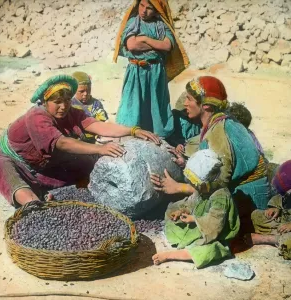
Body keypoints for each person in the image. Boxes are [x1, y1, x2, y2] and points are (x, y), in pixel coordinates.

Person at [0, 75, 160, 208]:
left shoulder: (72, 112)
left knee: (86, 164)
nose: (63, 107)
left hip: (42, 164)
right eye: (57, 102)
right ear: (45, 102)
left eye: (66, 101)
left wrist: (133, 130)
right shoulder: (37, 116)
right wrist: (99, 149)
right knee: (8, 174)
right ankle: (35, 206)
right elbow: (62, 143)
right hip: (11, 158)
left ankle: (49, 191)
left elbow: (97, 126)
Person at [151, 76, 270, 234]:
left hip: (249, 197)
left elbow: (221, 184)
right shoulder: (219, 122)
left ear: (205, 106)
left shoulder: (218, 132)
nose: (185, 103)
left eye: (189, 99)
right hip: (252, 190)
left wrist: (177, 187)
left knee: (179, 221)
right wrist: (187, 164)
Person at [151, 149, 240, 268]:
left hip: (216, 234)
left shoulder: (221, 197)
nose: (195, 188)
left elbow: (214, 225)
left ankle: (172, 255)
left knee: (209, 250)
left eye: (197, 186)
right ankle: (187, 242)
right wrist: (182, 211)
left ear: (208, 183)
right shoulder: (203, 190)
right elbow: (192, 203)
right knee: (171, 213)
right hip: (200, 223)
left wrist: (193, 219)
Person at [113, 0, 189, 138]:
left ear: (157, 10)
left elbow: (167, 46)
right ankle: (130, 133)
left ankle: (158, 136)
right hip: (136, 71)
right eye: (142, 6)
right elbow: (132, 45)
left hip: (156, 71)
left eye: (149, 8)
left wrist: (145, 39)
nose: (144, 11)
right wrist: (156, 45)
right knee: (133, 104)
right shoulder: (133, 22)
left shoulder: (161, 25)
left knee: (156, 105)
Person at [247, 160, 291, 260]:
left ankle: (267, 239)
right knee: (256, 215)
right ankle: (278, 236)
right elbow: (282, 197)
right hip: (284, 220)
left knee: (289, 242)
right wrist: (276, 208)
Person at [71, 71, 109, 142]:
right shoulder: (70, 105)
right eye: (81, 91)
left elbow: (102, 121)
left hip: (95, 137)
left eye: (88, 90)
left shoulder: (96, 104)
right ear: (73, 90)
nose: (85, 94)